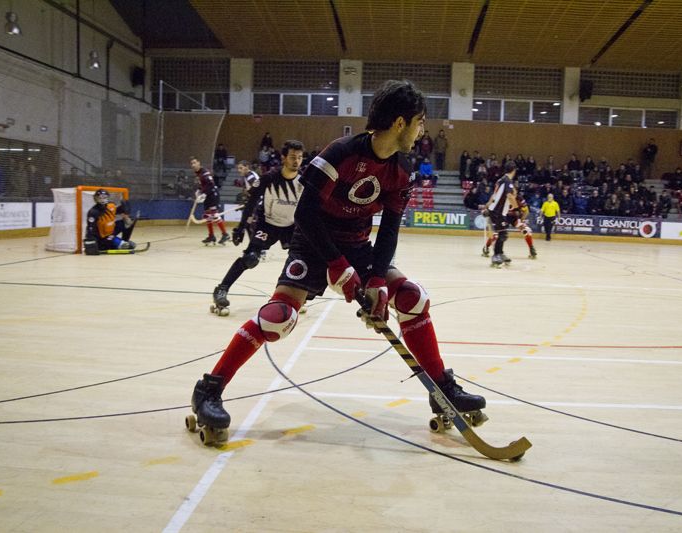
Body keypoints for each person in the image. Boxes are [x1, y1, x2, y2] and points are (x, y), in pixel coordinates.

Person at [188, 80, 486, 439]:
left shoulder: (402, 170)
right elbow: (306, 215)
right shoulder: (341, 153)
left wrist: (376, 278)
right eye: (420, 122)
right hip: (313, 244)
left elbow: (389, 230)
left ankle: (441, 389)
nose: (423, 131)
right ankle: (209, 389)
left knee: (411, 297)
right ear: (400, 123)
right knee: (277, 318)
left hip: (358, 246)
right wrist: (335, 264)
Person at [211, 141, 305, 315]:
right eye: (293, 157)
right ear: (283, 158)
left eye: (299, 158)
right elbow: (251, 202)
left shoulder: (304, 180)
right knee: (250, 259)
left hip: (290, 226)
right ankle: (221, 289)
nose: (297, 161)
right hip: (267, 224)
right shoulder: (269, 178)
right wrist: (240, 228)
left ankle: (293, 295)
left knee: (300, 260)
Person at [483, 163, 537, 266]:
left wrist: (487, 206)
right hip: (498, 212)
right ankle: (496, 256)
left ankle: (500, 253)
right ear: (514, 170)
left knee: (502, 234)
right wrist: (516, 208)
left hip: (497, 211)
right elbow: (509, 196)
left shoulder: (500, 180)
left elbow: (494, 195)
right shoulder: (508, 181)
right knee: (502, 234)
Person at [190, 156, 229, 245]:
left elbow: (210, 185)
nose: (193, 165)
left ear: (199, 163)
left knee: (214, 215)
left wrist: (204, 193)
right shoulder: (198, 173)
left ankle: (225, 234)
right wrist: (199, 191)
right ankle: (211, 236)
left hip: (213, 195)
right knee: (207, 215)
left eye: (194, 163)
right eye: (191, 163)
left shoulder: (205, 173)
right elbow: (203, 185)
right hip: (208, 195)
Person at [83, 189, 135, 254]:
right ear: (95, 198)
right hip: (103, 237)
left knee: (129, 222)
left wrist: (124, 209)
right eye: (100, 198)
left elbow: (117, 211)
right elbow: (90, 229)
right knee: (128, 246)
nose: (102, 199)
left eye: (104, 197)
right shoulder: (93, 212)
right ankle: (116, 244)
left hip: (111, 231)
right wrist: (91, 243)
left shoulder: (111, 206)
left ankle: (124, 241)